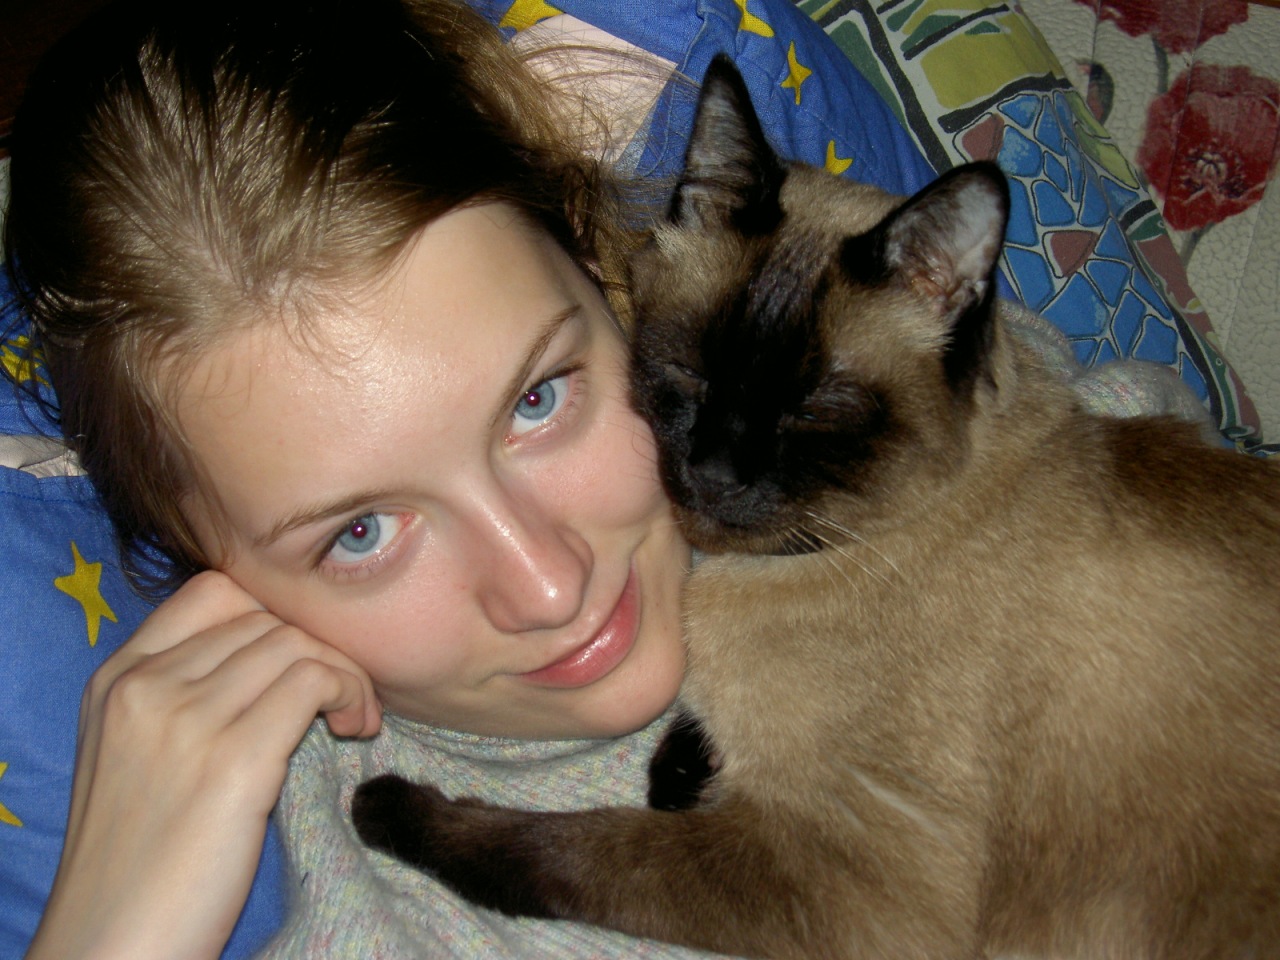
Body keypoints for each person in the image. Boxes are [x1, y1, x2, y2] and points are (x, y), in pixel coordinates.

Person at [2, 0, 1214, 956]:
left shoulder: (1049, 453)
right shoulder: (389, 922)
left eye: (538, 399)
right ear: (202, 579)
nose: (547, 585)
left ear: (610, 271)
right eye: (360, 532)